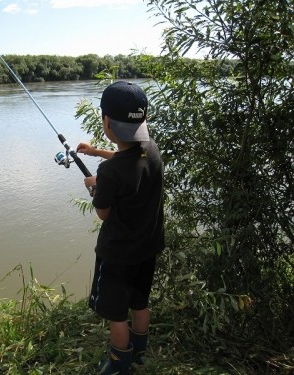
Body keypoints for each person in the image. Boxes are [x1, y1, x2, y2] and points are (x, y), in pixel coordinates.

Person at [77, 81, 165, 375]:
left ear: (106, 121)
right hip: (147, 248)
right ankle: (139, 353)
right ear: (143, 119)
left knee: (116, 316)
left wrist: (95, 187)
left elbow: (103, 212)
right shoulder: (150, 150)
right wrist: (95, 152)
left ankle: (118, 364)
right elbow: (126, 159)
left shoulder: (110, 172)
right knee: (139, 304)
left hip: (117, 256)